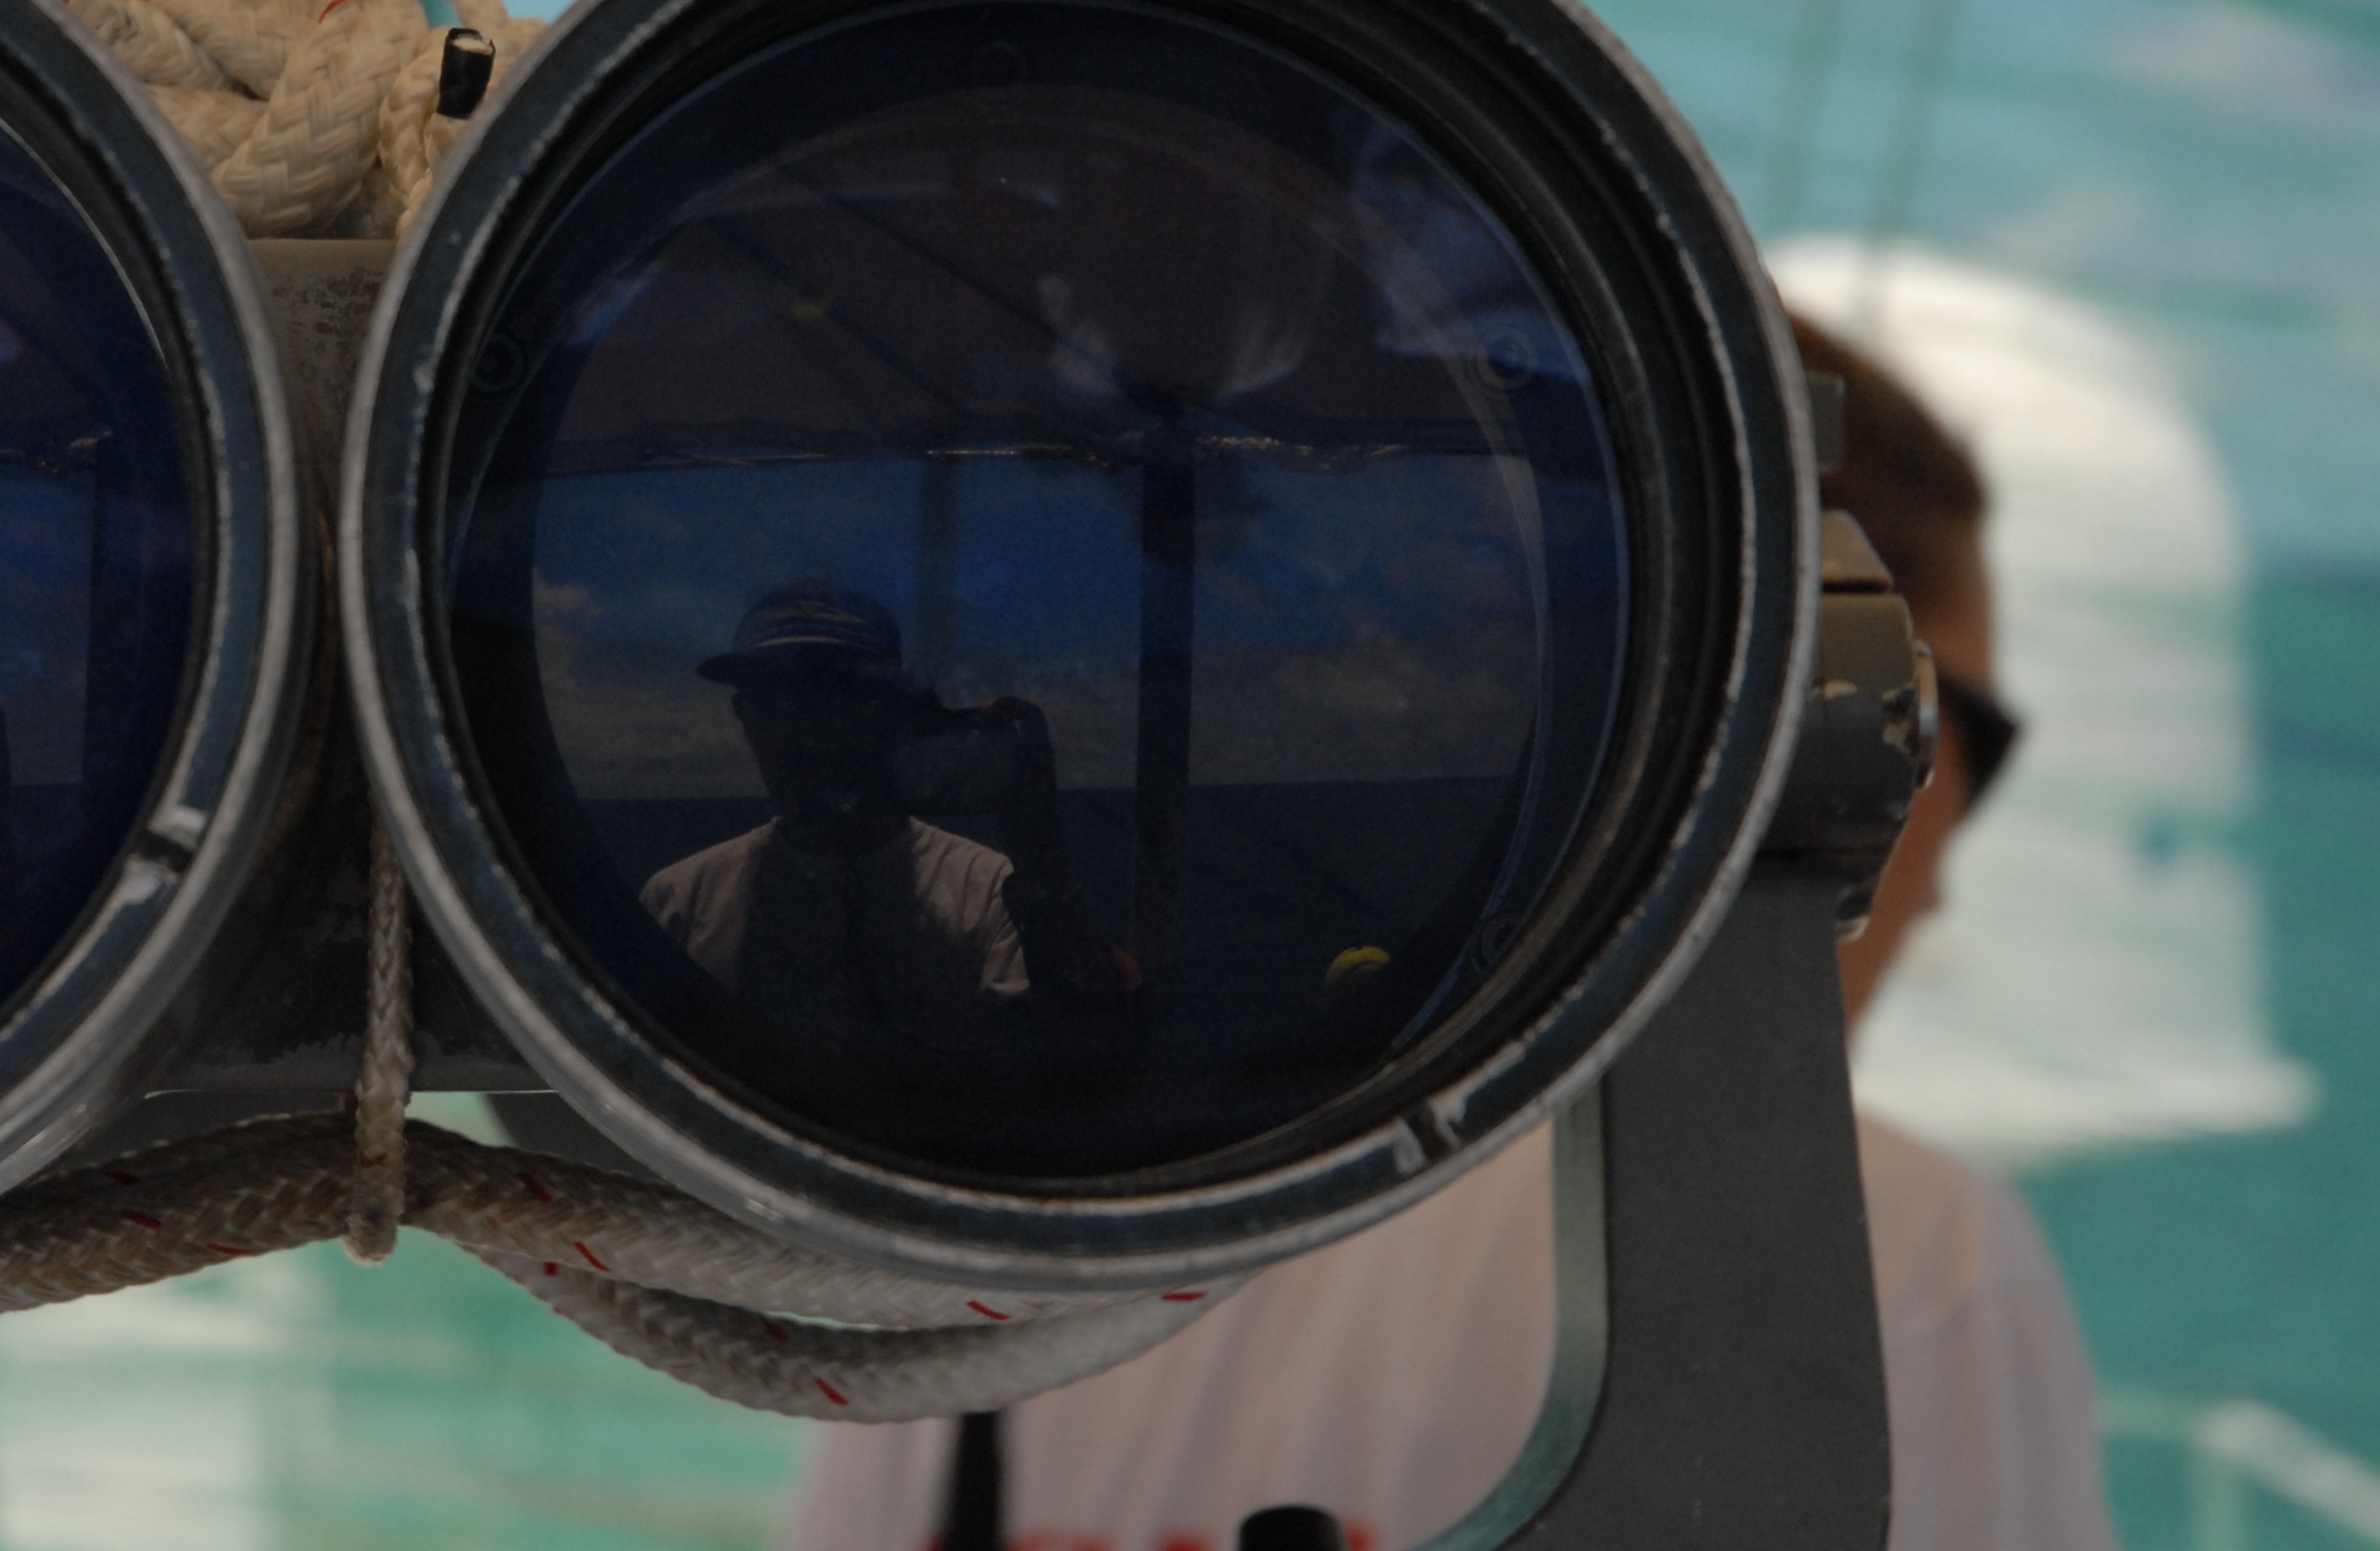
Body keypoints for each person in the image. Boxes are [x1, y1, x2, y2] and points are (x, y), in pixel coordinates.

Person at [780, 315, 2116, 1551]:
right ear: (1804, 695)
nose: (1939, 887)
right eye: (1955, 739)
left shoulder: (995, 1229)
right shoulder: (1906, 1261)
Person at [642, 579, 1127, 1066]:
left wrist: (1036, 837)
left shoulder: (988, 891)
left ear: (887, 717)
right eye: (777, 704)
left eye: (834, 702)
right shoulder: (677, 902)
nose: (803, 733)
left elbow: (1077, 1058)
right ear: (744, 717)